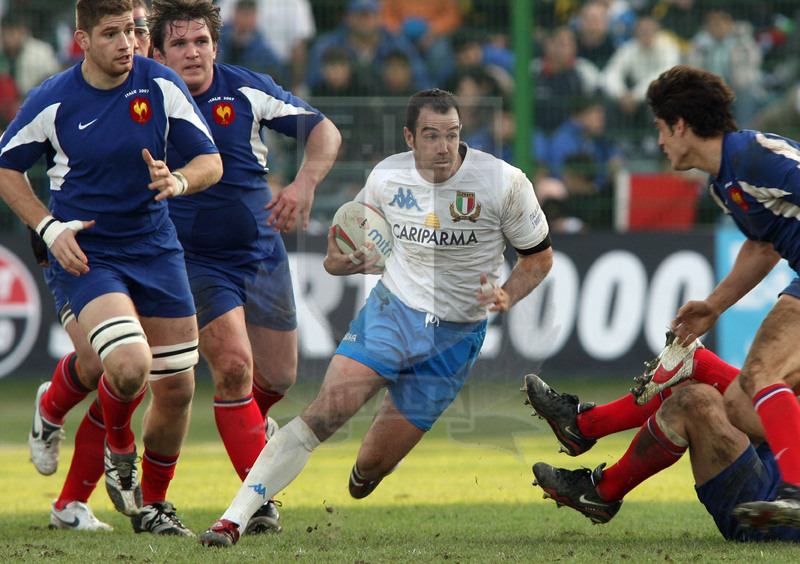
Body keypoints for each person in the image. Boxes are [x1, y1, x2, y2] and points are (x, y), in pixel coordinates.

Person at [197, 88, 554, 547]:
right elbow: (337, 252)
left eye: (452, 134)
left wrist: (507, 293)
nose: (444, 147)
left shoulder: (503, 182)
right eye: (431, 136)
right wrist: (344, 261)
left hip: (456, 337)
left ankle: (370, 467)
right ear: (409, 137)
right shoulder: (387, 176)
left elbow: (538, 258)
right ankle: (231, 521)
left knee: (369, 471)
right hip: (392, 313)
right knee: (324, 415)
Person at [1, 0, 222, 532]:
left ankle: (154, 506)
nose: (126, 43)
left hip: (155, 248)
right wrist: (49, 229)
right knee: (125, 366)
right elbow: (6, 169)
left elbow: (210, 161)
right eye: (110, 33)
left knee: (178, 387)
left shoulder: (159, 83)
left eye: (131, 30)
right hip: (88, 252)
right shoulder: (53, 98)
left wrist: (179, 180)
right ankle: (118, 451)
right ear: (81, 40)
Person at [148, 0, 342, 534]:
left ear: (216, 46)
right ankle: (256, 503)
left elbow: (325, 131)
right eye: (180, 44)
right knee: (234, 367)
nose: (193, 53)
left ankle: (251, 434)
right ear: (158, 53)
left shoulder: (246, 89)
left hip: (260, 251)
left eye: (201, 42)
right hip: (192, 258)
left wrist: (304, 183)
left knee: (278, 377)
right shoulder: (144, 104)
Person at [646, 64, 800, 531]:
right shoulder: (725, 181)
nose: (659, 141)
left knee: (759, 373)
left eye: (660, 128)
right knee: (738, 402)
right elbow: (763, 245)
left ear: (680, 125)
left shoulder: (754, 158)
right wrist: (714, 306)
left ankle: (795, 493)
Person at [526, 334, 800, 541]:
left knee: (696, 401)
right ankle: (584, 426)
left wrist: (703, 365)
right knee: (687, 381)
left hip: (772, 515)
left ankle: (602, 490)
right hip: (772, 470)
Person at [306, 0, 432, 94]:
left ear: (379, 18)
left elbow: (422, 81)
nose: (364, 21)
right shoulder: (328, 45)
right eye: (359, 15)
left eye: (369, 15)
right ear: (348, 17)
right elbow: (311, 82)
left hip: (387, 108)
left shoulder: (398, 45)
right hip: (339, 107)